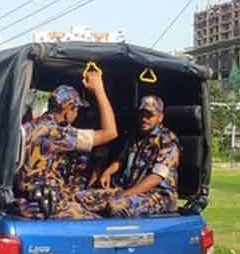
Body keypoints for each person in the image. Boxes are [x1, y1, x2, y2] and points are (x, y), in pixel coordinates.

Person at [14, 68, 118, 219]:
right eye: (77, 110)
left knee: (108, 195)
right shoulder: (55, 133)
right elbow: (110, 132)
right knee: (101, 222)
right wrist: (99, 89)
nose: (77, 115)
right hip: (49, 204)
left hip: (33, 199)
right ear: (68, 110)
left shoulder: (31, 126)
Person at [74, 95, 181, 217]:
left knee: (116, 207)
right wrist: (108, 172)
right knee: (81, 197)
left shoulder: (168, 142)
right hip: (130, 190)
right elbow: (122, 160)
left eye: (149, 115)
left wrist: (124, 195)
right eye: (142, 114)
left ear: (160, 117)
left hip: (158, 196)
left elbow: (155, 179)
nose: (144, 119)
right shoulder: (135, 137)